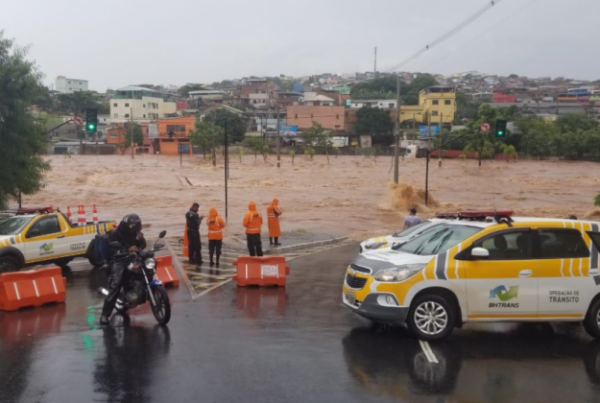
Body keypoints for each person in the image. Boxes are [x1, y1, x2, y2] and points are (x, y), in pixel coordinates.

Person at [100, 214, 147, 325]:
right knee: (116, 284)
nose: (136, 229)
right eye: (134, 227)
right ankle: (104, 315)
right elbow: (112, 249)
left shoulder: (135, 233)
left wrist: (140, 240)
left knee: (147, 267)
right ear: (128, 226)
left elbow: (142, 245)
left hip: (132, 257)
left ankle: (141, 290)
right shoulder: (115, 234)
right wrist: (126, 249)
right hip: (118, 259)